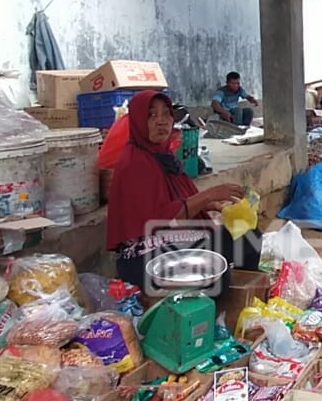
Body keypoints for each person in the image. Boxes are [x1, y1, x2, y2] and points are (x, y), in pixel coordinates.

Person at [106, 91, 260, 292]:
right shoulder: (134, 163)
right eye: (151, 115)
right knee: (213, 277)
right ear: (137, 121)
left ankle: (244, 295)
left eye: (166, 114)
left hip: (174, 240)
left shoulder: (162, 155)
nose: (161, 122)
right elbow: (160, 218)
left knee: (248, 236)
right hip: (143, 257)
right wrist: (208, 195)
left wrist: (210, 204)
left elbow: (178, 198)